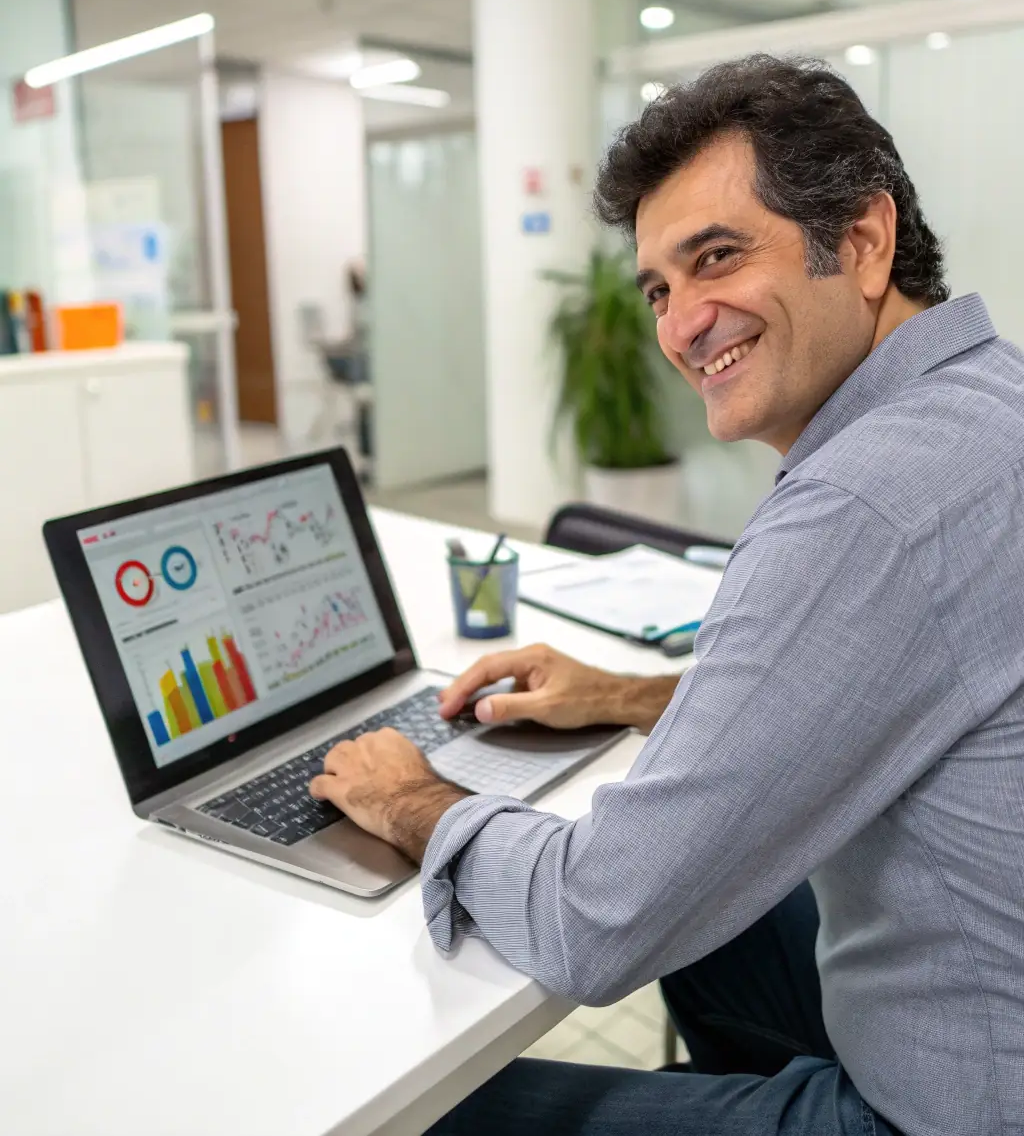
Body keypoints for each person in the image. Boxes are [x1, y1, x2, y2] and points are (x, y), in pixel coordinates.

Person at [308, 55, 1024, 1136]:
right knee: (720, 914)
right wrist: (639, 697)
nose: (683, 323)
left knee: (425, 1112)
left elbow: (596, 925)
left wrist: (414, 800)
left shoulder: (863, 503)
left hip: (956, 1107)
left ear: (865, 242)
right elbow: (910, 676)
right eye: (658, 287)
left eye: (718, 257)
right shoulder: (983, 399)